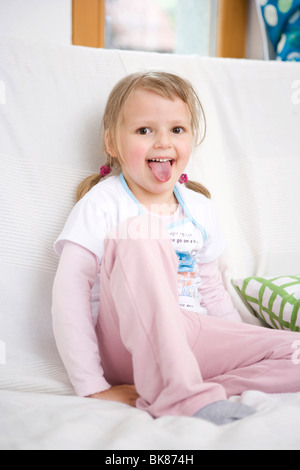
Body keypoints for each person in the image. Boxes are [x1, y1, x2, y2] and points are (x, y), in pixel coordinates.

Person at [52, 71, 300, 425]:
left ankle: (193, 387)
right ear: (112, 142)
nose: (163, 142)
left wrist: (242, 343)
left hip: (191, 336)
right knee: (141, 232)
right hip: (125, 341)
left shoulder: (199, 207)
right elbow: (69, 294)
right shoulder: (103, 203)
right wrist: (91, 384)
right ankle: (180, 398)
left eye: (177, 130)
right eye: (144, 130)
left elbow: (213, 293)